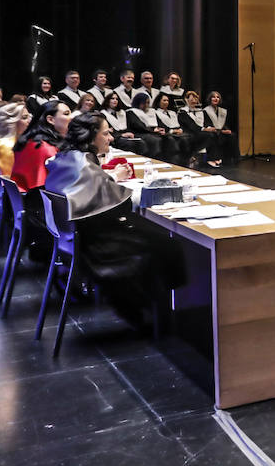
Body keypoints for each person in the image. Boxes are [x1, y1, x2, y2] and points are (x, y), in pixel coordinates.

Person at [43, 113, 184, 321]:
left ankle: (143, 308)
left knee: (155, 236)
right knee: (167, 244)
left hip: (72, 241)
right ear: (91, 137)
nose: (111, 138)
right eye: (106, 133)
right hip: (96, 246)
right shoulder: (85, 166)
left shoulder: (68, 157)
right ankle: (160, 314)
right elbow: (117, 206)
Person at [12, 99, 72, 191]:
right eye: (66, 114)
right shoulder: (45, 148)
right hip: (39, 200)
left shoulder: (32, 139)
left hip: (26, 197)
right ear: (51, 119)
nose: (72, 118)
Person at [0, 102, 31, 176]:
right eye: (24, 118)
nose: (29, 121)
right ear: (11, 122)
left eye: (29, 117)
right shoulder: (6, 147)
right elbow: (10, 181)